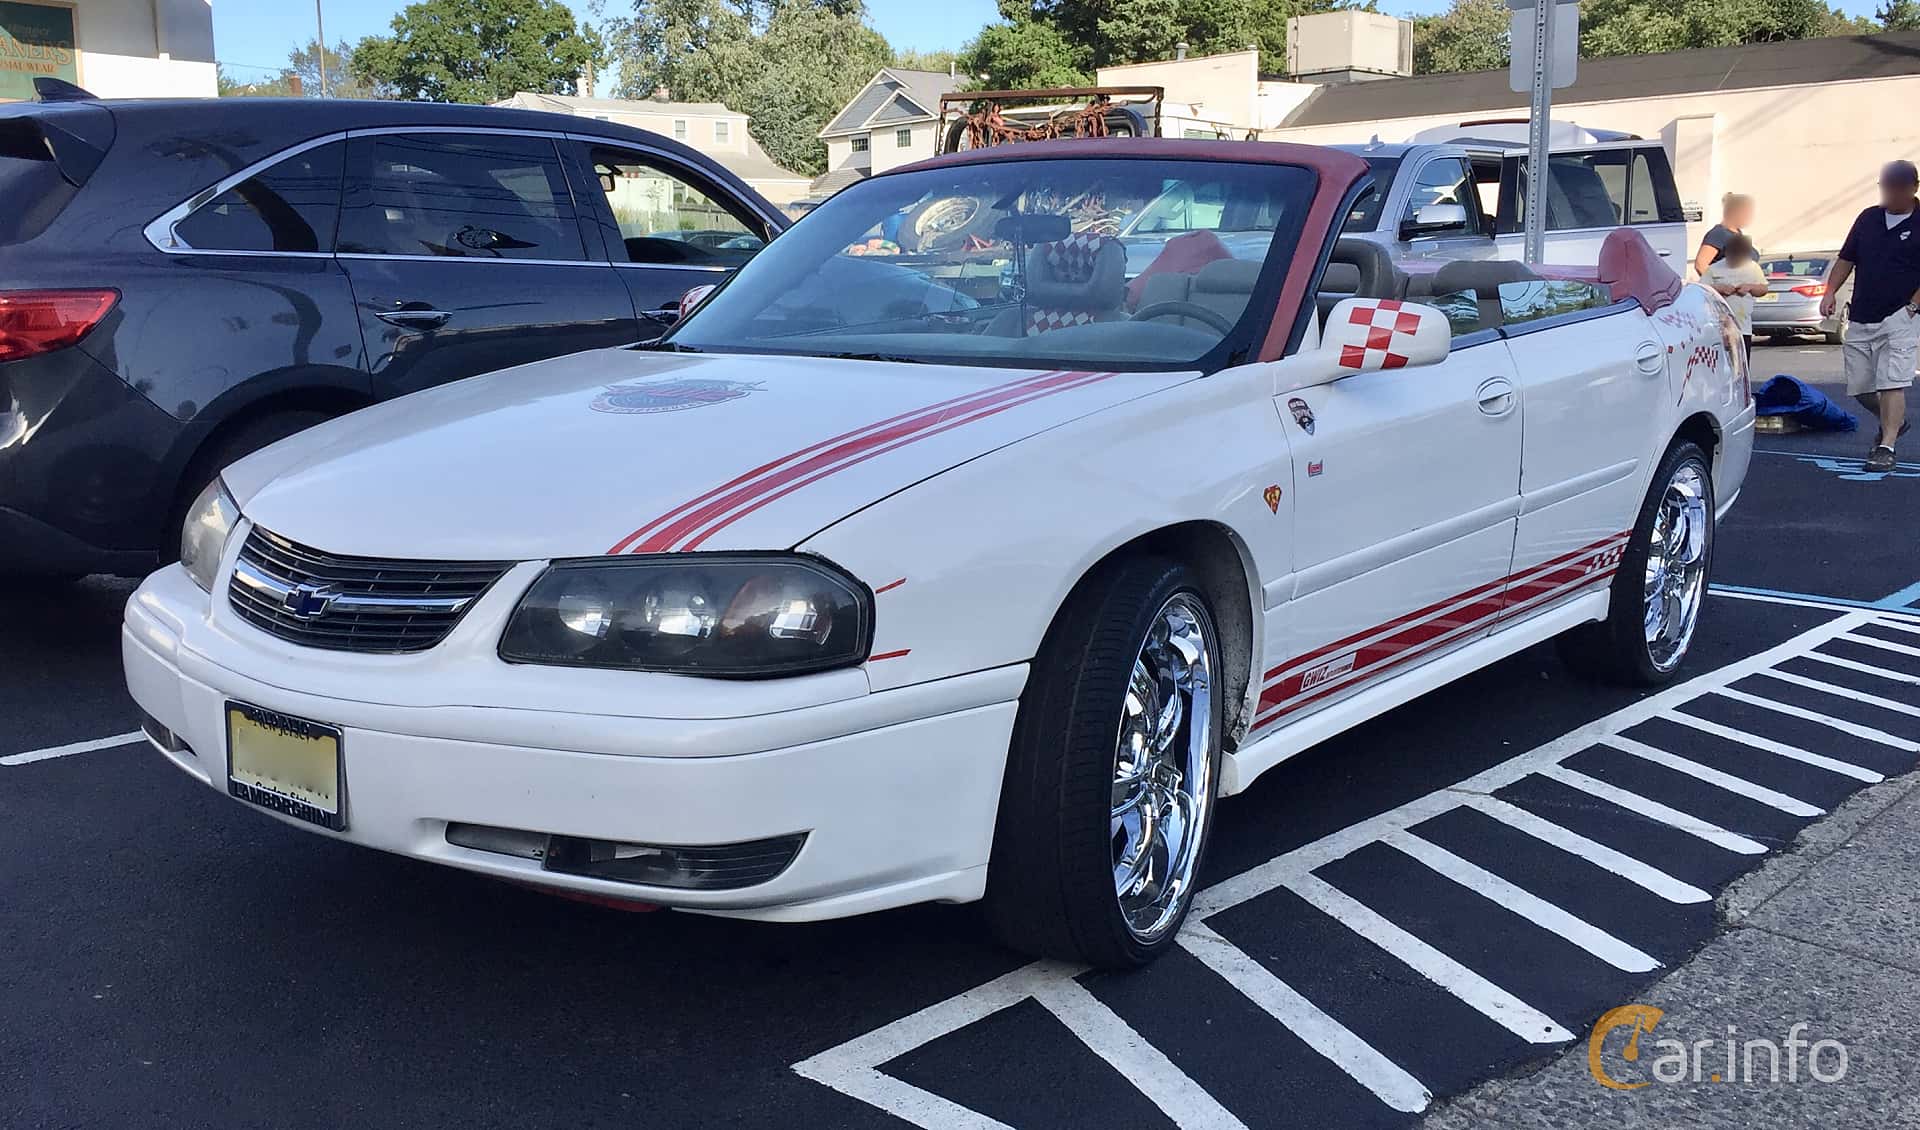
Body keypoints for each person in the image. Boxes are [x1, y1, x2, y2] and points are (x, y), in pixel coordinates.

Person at [1823, 160, 1920, 472]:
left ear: (1912, 188)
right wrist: (1830, 292)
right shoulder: (1868, 218)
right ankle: (1896, 421)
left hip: (1901, 316)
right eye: (1884, 186)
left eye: (1894, 187)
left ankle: (1886, 446)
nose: (1888, 193)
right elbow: (1846, 258)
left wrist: (1912, 307)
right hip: (1863, 314)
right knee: (1861, 386)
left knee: (1892, 381)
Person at [1705, 233, 1769, 361]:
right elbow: (1702, 289)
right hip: (1720, 327)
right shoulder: (1714, 269)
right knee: (1723, 363)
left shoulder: (1752, 268)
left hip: (1743, 326)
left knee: (1742, 362)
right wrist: (1719, 288)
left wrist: (1750, 287)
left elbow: (1763, 289)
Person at [1693, 193, 1755, 278]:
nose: (1749, 217)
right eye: (1746, 213)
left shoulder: (1738, 233)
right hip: (1727, 289)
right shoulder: (1718, 233)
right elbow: (1700, 265)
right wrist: (1721, 283)